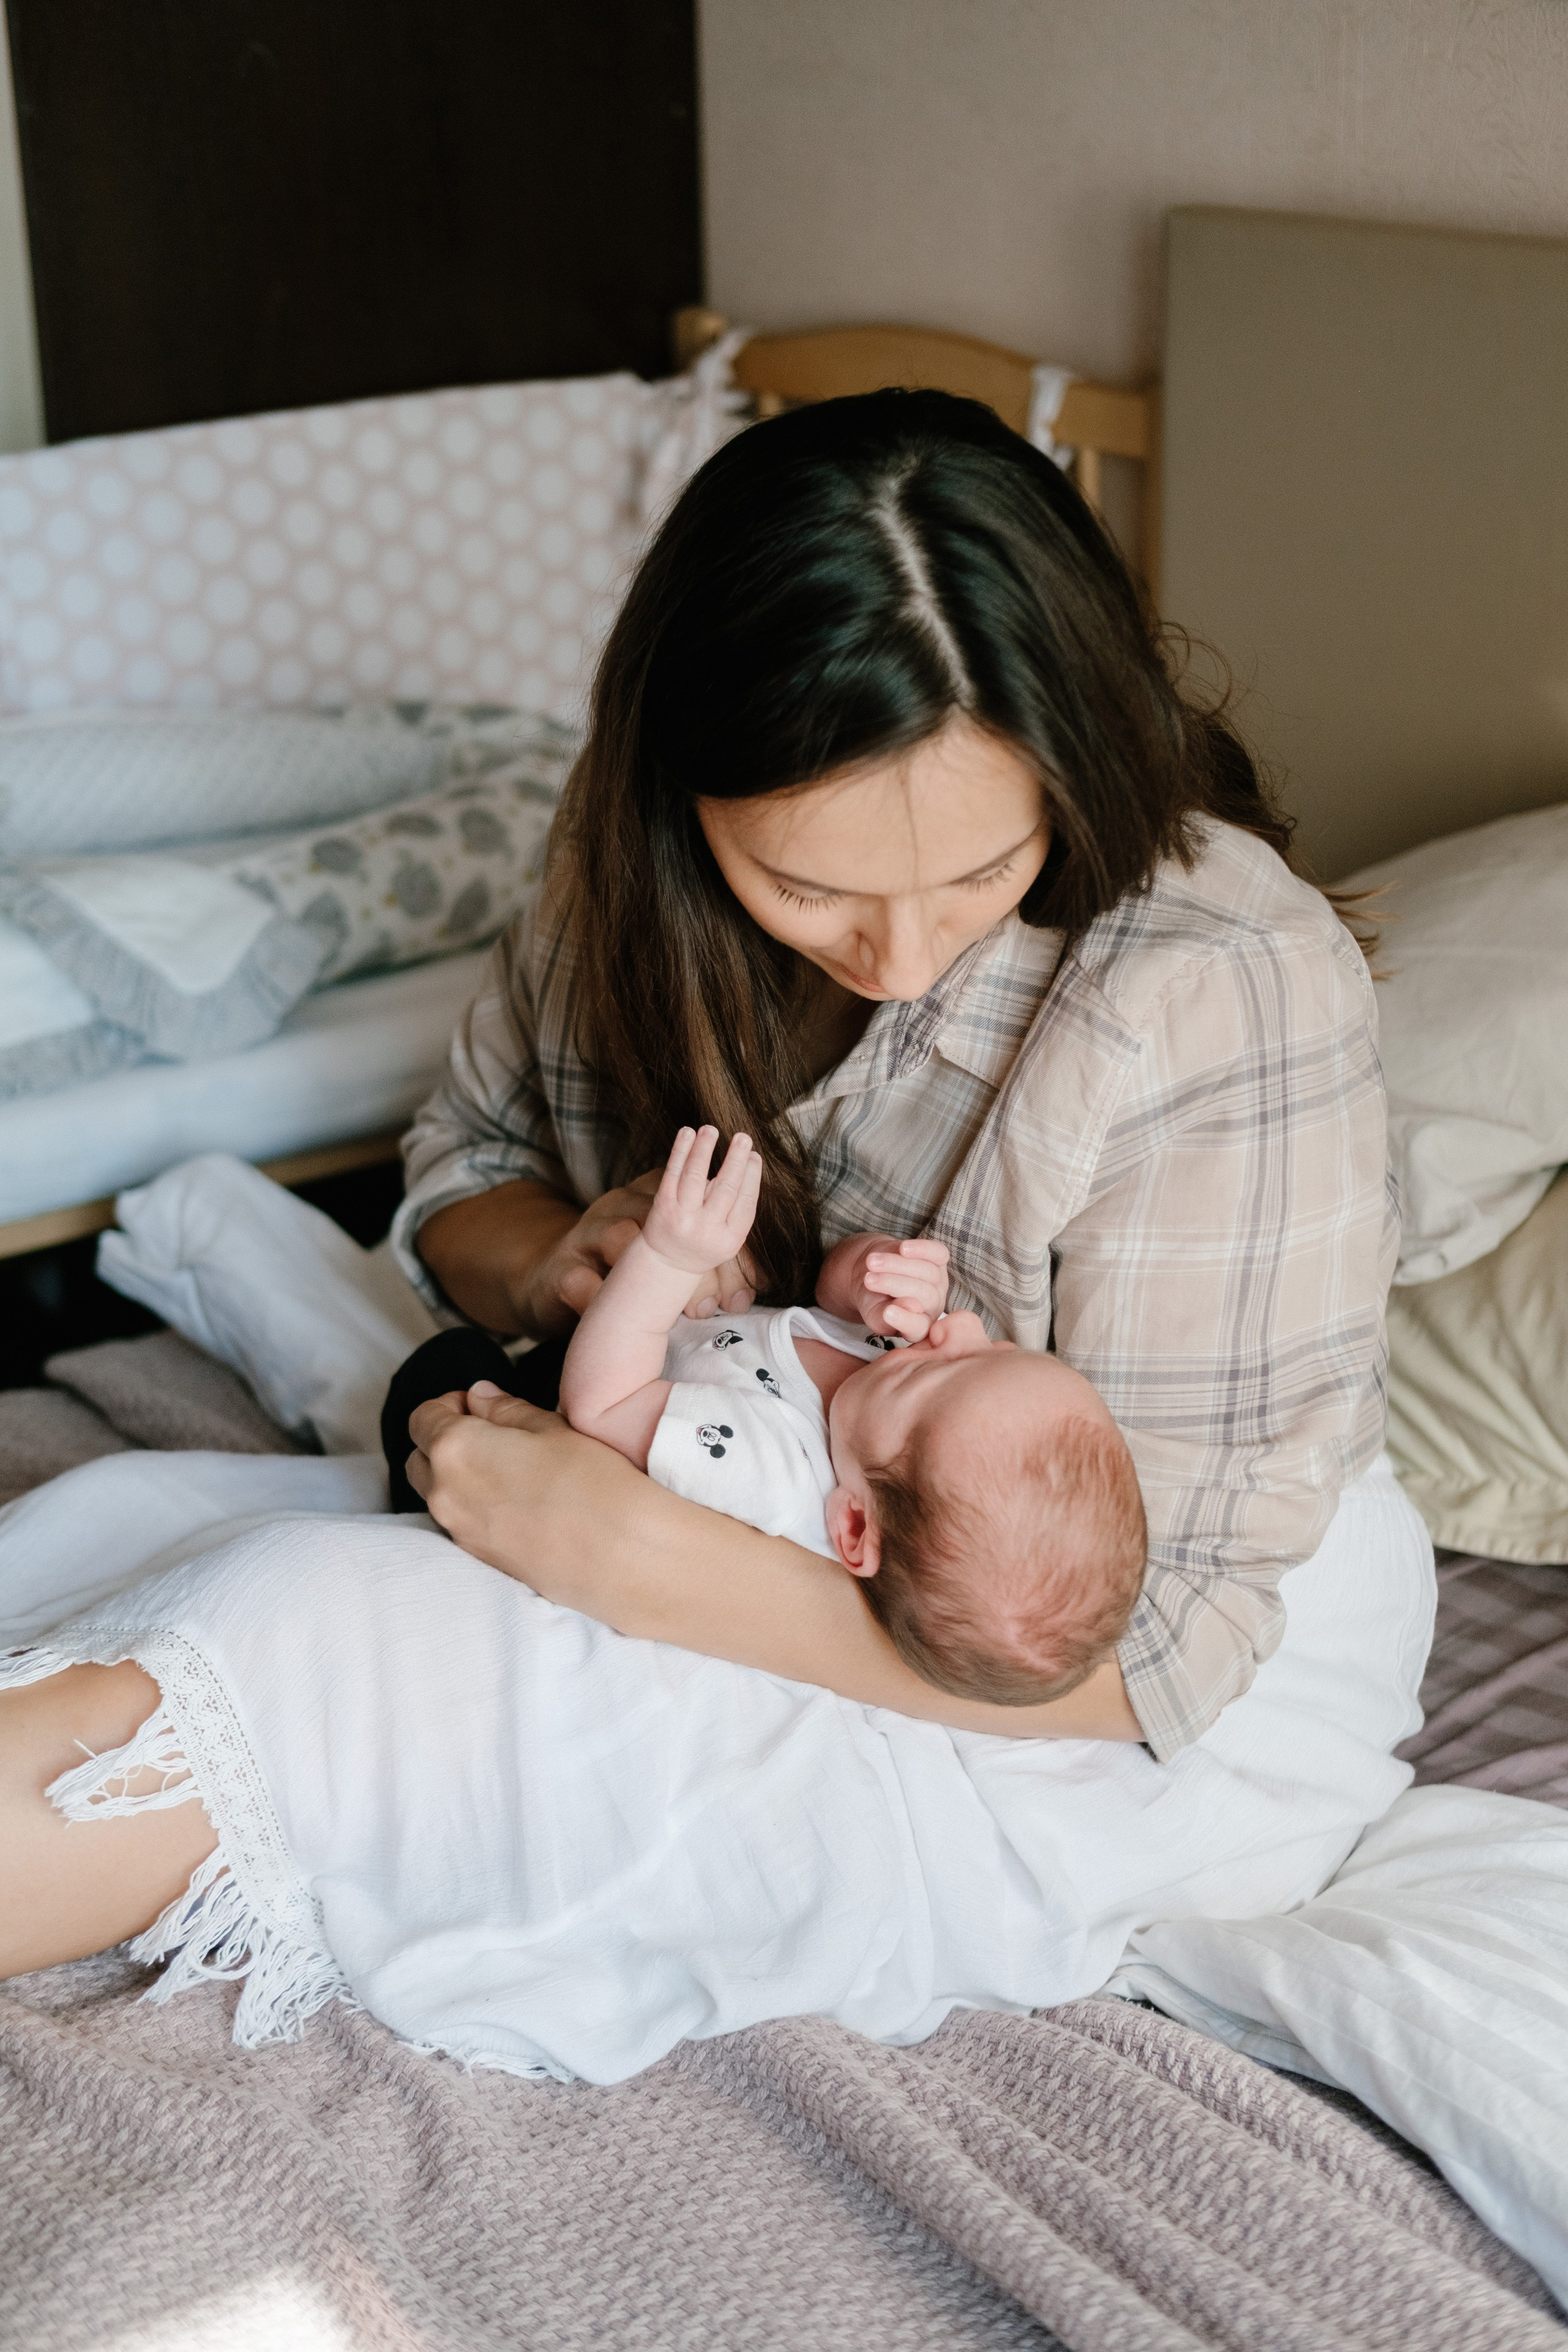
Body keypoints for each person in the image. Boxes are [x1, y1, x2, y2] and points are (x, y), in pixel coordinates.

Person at [0, 390, 1430, 2084]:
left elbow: (1165, 1654)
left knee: (313, 1631)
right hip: (741, 1481)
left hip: (1091, 1685)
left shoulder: (1219, 985)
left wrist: (635, 1560)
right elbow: (467, 1167)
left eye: (979, 872)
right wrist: (553, 1261)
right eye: (808, 887)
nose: (896, 955)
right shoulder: (620, 860)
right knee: (125, 1529)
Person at [552, 1120, 1145, 1705]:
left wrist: (665, 1258)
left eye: (940, 1372)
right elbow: (825, 1295)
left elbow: (601, 1404)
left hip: (573, 1368)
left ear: (855, 1526)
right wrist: (869, 1276)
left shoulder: (774, 1474)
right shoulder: (883, 1397)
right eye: (995, 1351)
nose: (958, 1326)